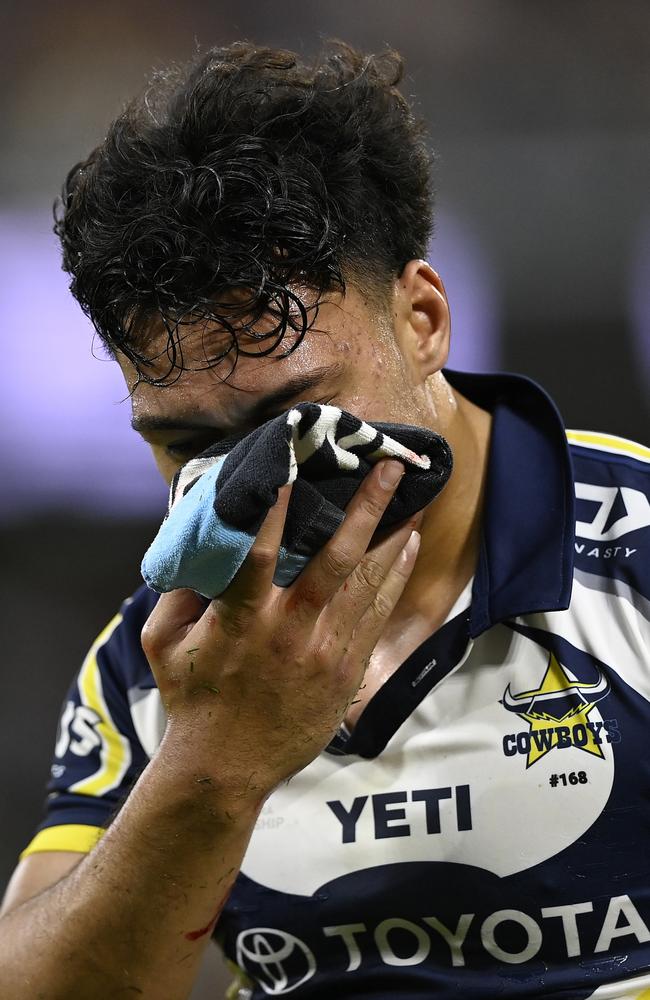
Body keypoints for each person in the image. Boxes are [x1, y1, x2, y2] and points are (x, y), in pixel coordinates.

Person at [1, 40, 649, 1000]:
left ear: (422, 318)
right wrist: (213, 764)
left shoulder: (634, 561)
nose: (255, 488)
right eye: (186, 445)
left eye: (290, 418)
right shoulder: (154, 661)